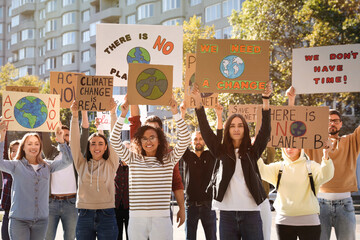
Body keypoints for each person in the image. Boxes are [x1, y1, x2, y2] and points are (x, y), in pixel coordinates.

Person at [193, 82, 272, 240]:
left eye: (240, 126)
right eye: (233, 126)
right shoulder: (221, 151)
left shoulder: (252, 152)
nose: (236, 129)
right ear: (228, 129)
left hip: (251, 213)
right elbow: (206, 131)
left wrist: (265, 99)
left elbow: (265, 131)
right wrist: (198, 102)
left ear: (245, 129)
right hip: (227, 215)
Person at [110, 96, 191, 240]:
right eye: (144, 138)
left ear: (159, 140)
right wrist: (123, 114)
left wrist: (175, 113)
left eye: (152, 137)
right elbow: (114, 140)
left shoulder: (169, 159)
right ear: (139, 142)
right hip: (136, 219)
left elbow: (185, 139)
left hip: (162, 219)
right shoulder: (133, 159)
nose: (148, 141)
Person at [287, 86, 360, 240]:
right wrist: (291, 100)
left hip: (345, 205)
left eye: (335, 121)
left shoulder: (351, 141)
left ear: (340, 124)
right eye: (328, 121)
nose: (331, 124)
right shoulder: (312, 143)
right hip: (319, 205)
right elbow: (293, 128)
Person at [0, 121, 73, 240]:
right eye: (29, 144)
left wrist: (61, 141)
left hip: (41, 221)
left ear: (40, 147)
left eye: (36, 144)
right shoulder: (16, 166)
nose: (33, 147)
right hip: (19, 221)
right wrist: (1, 137)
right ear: (23, 147)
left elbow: (67, 161)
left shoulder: (47, 166)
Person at [257, 147, 334, 240]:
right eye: (286, 145)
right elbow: (261, 170)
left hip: (309, 221)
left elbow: (326, 175)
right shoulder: (278, 167)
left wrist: (326, 156)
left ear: (300, 148)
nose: (289, 148)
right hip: (283, 222)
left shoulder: (311, 166)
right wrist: (256, 148)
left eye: (293, 146)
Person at [129, 105, 186, 227]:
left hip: (162, 214)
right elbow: (134, 121)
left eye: (154, 131)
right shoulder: (136, 154)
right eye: (147, 130)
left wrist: (182, 207)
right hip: (139, 216)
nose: (150, 135)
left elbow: (176, 182)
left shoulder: (169, 156)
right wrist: (132, 96)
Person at [70, 100, 119, 240]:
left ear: (105, 147)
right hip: (84, 214)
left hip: (107, 214)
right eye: (93, 144)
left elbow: (115, 139)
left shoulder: (111, 163)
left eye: (100, 144)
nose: (96, 147)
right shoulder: (81, 164)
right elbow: (74, 143)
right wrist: (74, 115)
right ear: (89, 147)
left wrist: (113, 114)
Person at [180, 102, 222, 240]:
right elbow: (181, 139)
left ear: (204, 141)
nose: (198, 141)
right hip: (190, 206)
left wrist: (219, 115)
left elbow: (218, 138)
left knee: (212, 238)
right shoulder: (187, 156)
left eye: (200, 139)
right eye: (195, 139)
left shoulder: (211, 155)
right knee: (189, 238)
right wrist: (182, 114)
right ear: (191, 142)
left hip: (208, 206)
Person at [44, 111, 89, 240]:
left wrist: (84, 112)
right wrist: (49, 117)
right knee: (47, 237)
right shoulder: (50, 151)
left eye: (67, 135)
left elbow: (85, 130)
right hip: (51, 202)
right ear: (56, 136)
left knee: (70, 237)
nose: (64, 137)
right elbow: (43, 132)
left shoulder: (76, 151)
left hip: (71, 202)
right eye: (61, 134)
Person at [1, 140, 20, 240]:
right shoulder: (6, 167)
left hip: (22, 214)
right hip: (8, 213)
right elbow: (2, 151)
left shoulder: (27, 168)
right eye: (13, 151)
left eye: (18, 150)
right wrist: (3, 135)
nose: (15, 153)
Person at [114, 140, 130, 240]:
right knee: (117, 236)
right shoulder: (114, 166)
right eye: (124, 149)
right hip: (116, 207)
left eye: (128, 149)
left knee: (131, 236)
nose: (125, 152)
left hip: (130, 208)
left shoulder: (134, 167)